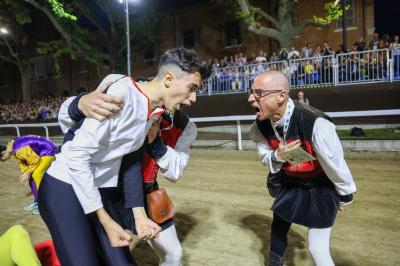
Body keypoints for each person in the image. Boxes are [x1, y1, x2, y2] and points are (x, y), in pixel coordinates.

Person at [38, 47, 207, 266]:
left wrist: (139, 216)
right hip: (64, 187)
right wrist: (105, 219)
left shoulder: (153, 111)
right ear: (168, 79)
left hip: (97, 191)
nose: (193, 98)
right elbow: (75, 154)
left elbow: (131, 163)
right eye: (191, 88)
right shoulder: (122, 92)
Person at [61, 88, 197, 265]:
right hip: (103, 191)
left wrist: (155, 144)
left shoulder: (186, 126)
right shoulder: (133, 96)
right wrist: (78, 103)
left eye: (197, 90)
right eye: (191, 89)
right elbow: (66, 117)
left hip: (146, 192)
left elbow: (175, 172)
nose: (194, 98)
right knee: (112, 257)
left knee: (174, 253)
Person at [247, 71, 356, 266]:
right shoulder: (259, 127)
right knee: (278, 227)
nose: (250, 99)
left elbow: (334, 162)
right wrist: (277, 156)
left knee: (317, 248)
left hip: (320, 187)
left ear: (281, 95)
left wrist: (345, 193)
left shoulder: (316, 123)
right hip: (290, 183)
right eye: (251, 92)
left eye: (258, 93)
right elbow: (266, 158)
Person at [0, 136, 57, 215]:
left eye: (2, 160)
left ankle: (44, 204)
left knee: (37, 174)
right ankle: (37, 200)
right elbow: (23, 162)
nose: (3, 161)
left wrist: (27, 172)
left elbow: (35, 161)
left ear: (3, 153)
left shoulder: (18, 149)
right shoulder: (12, 148)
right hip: (40, 154)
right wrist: (24, 173)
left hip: (49, 150)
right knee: (30, 177)